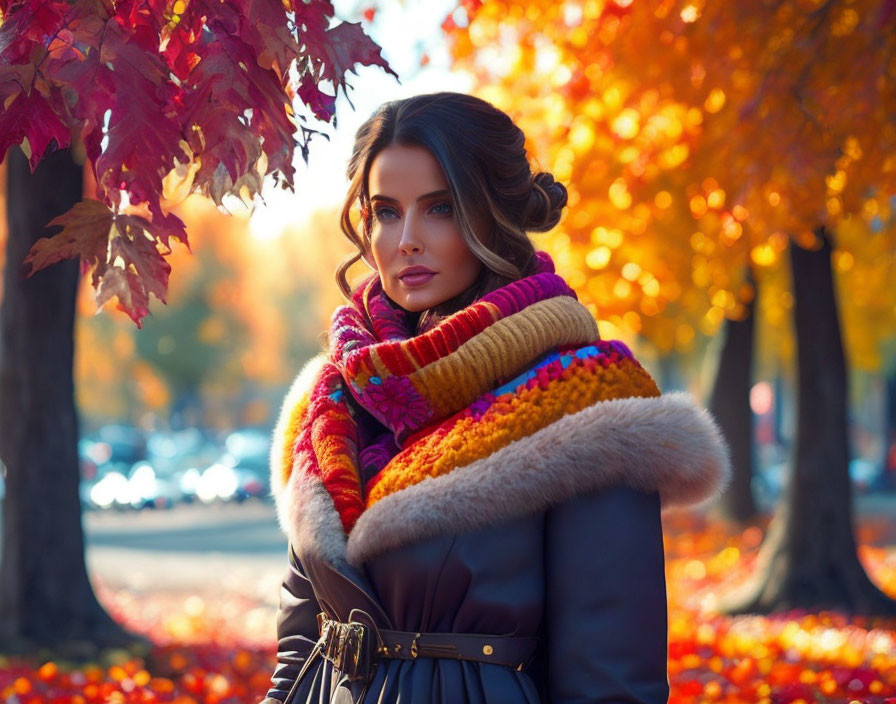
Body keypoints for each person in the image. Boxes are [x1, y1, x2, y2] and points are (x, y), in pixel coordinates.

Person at [259, 92, 730, 704]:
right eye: (384, 211)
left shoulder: (583, 404)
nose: (405, 240)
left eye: (440, 208)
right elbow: (300, 651)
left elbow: (612, 682)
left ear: (495, 217)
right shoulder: (333, 401)